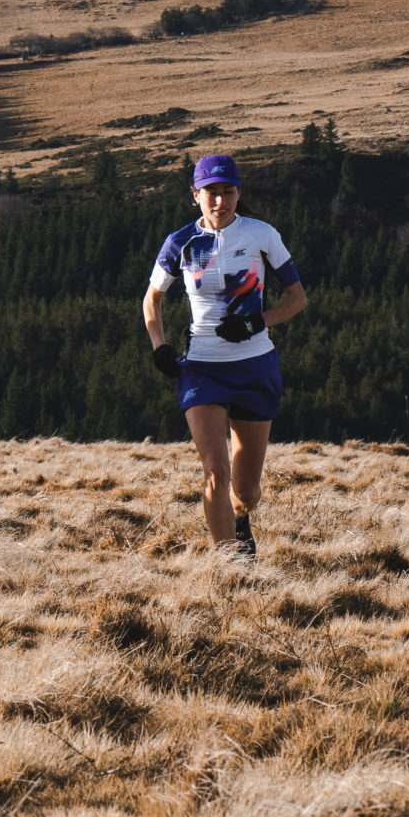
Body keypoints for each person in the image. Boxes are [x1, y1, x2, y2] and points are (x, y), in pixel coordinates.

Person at [141, 154, 307, 559]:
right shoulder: (180, 242)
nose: (220, 201)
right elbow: (152, 299)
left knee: (246, 492)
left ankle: (240, 517)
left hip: (255, 366)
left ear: (238, 192)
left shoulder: (262, 235)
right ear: (195, 195)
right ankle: (228, 565)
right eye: (211, 193)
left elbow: (297, 299)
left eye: (227, 192)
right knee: (216, 470)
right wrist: (160, 347)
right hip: (201, 368)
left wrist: (256, 322)